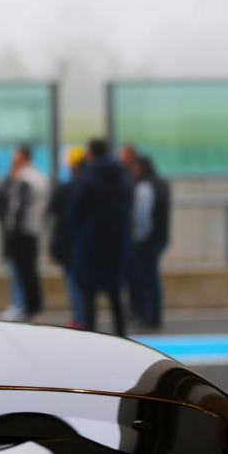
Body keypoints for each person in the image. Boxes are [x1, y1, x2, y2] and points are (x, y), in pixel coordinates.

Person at [69, 138, 132, 336]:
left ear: (91, 154)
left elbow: (76, 213)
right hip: (116, 244)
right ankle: (122, 336)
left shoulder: (87, 179)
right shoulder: (123, 178)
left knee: (89, 296)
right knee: (115, 295)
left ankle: (92, 337)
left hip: (91, 245)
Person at [0, 145, 48, 322]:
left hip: (23, 232)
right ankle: (31, 308)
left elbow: (18, 208)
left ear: (23, 157)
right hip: (31, 230)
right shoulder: (38, 176)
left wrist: (12, 229)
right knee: (27, 271)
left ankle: (31, 308)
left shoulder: (26, 178)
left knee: (26, 272)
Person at [127, 155, 170, 328]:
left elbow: (142, 216)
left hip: (147, 240)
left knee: (147, 278)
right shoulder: (161, 183)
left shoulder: (145, 186)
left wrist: (138, 238)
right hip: (159, 237)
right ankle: (153, 314)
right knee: (152, 278)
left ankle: (150, 315)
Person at [48, 146, 87, 328]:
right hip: (84, 243)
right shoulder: (89, 186)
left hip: (69, 245)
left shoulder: (67, 188)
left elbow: (54, 210)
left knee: (74, 283)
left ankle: (80, 318)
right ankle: (83, 317)